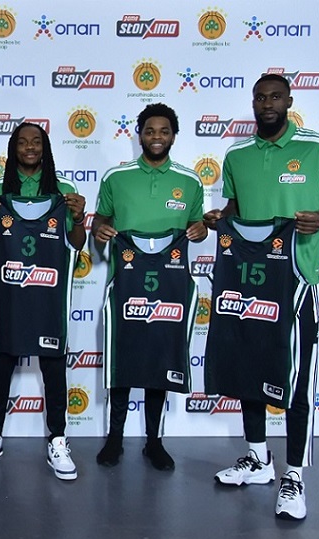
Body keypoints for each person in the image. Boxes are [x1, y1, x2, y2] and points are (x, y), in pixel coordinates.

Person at [203, 73, 319, 520]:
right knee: (248, 368)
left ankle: (294, 475)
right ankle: (257, 458)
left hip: (296, 279)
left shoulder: (317, 147)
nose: (267, 104)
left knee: (297, 378)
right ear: (253, 102)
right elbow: (236, 209)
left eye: (274, 97)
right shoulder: (237, 154)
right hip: (247, 280)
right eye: (260, 97)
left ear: (289, 101)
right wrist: (219, 217)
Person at [92, 103, 207, 471]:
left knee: (161, 360)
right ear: (139, 134)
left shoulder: (190, 181)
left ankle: (154, 442)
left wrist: (201, 230)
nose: (157, 137)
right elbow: (99, 223)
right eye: (150, 131)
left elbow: (197, 227)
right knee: (123, 361)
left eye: (164, 131)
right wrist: (99, 232)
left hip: (170, 287)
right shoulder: (116, 177)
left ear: (174, 136)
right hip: (126, 284)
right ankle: (114, 438)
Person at [0, 122, 86, 480]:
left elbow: (77, 244)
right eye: (23, 142)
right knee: (1, 361)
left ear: (45, 148)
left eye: (36, 142)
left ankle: (58, 438)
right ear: (13, 149)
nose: (30, 147)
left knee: (53, 366)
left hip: (48, 299)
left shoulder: (64, 192)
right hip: (9, 298)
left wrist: (79, 218)